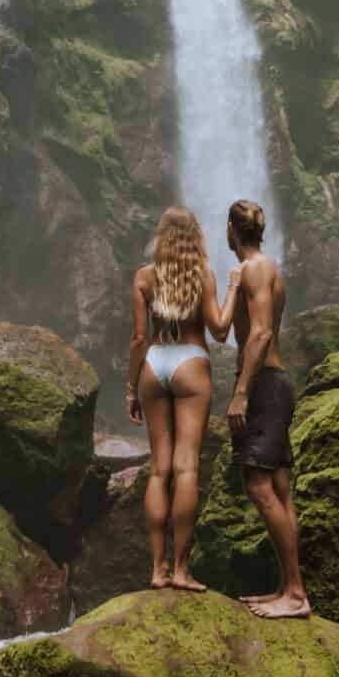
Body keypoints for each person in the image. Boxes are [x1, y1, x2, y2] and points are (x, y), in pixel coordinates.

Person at [127, 206, 240, 591]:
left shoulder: (143, 278)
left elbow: (139, 338)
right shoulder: (203, 277)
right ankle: (180, 570)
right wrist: (233, 287)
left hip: (155, 362)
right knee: (187, 468)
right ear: (195, 239)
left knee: (159, 470)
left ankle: (156, 570)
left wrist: (132, 388)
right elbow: (221, 331)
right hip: (191, 360)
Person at [223, 197, 312, 619]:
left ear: (231, 230)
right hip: (273, 384)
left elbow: (259, 334)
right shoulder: (265, 269)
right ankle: (287, 588)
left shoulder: (256, 268)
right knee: (278, 488)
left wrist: (241, 391)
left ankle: (295, 594)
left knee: (258, 487)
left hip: (264, 386)